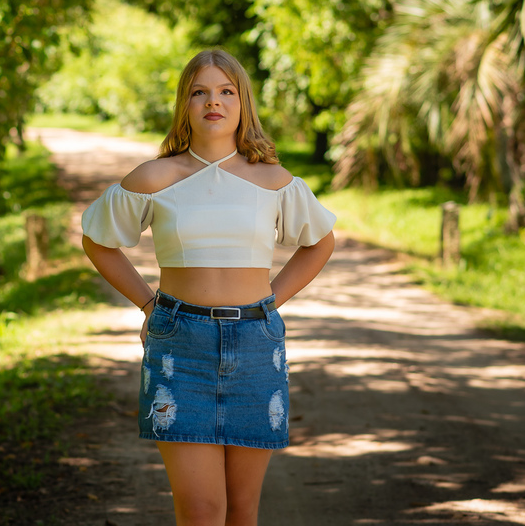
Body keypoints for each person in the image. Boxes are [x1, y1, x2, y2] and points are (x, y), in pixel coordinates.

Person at [81, 48, 336, 526]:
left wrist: (270, 302)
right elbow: (98, 242)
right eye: (199, 92)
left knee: (241, 511)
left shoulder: (273, 180)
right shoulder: (156, 177)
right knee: (201, 511)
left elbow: (319, 244)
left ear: (242, 105)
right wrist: (148, 303)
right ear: (185, 104)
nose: (212, 102)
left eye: (225, 91)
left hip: (256, 348)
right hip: (181, 349)